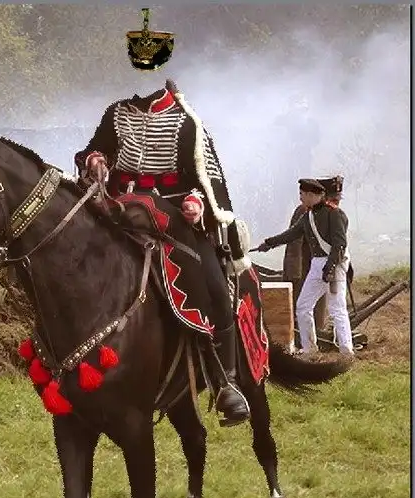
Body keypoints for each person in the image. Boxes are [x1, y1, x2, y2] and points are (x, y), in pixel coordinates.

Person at [74, 79, 254, 426]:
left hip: (174, 217)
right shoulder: (117, 113)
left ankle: (226, 381)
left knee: (215, 287)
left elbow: (207, 178)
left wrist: (196, 203)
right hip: (120, 211)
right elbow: (93, 150)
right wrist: (95, 159)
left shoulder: (186, 120)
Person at [256, 176, 354, 356]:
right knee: (303, 306)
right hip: (318, 265)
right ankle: (310, 349)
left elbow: (339, 244)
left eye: (302, 194)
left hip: (334, 264)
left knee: (337, 308)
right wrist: (269, 243)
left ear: (311, 195)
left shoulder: (335, 214)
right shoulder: (308, 216)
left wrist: (330, 267)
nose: (300, 198)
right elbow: (291, 234)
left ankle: (346, 351)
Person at [282, 201, 328, 337]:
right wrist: (294, 271)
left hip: (320, 266)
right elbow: (294, 242)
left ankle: (318, 331)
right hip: (304, 268)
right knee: (302, 303)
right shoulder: (304, 210)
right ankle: (305, 334)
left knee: (318, 303)